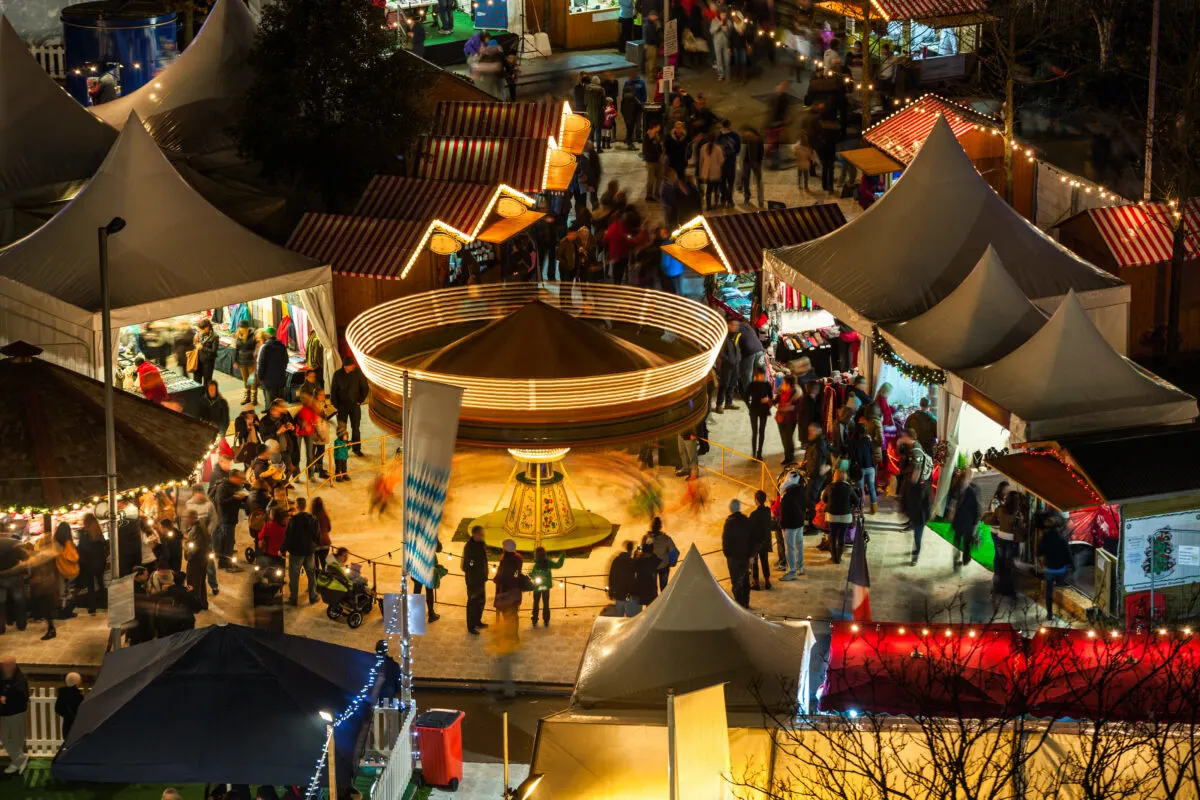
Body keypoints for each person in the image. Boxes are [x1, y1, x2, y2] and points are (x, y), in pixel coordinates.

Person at [986, 489, 1022, 600]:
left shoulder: (1000, 509)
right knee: (1008, 566)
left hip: (1000, 538)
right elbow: (1019, 528)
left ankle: (996, 588)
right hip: (1011, 541)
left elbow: (993, 520)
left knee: (999, 564)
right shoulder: (1017, 513)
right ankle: (1007, 590)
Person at [283, 497, 320, 605]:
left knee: (294, 576)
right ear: (305, 506)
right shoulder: (313, 519)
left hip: (296, 553)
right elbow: (317, 535)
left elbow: (288, 537)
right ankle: (313, 596)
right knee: (311, 574)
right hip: (309, 551)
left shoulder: (293, 520)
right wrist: (313, 545)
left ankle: (293, 598)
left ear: (296, 507)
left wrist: (282, 549)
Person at [902, 440, 934, 566]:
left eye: (916, 473)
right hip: (914, 515)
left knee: (917, 537)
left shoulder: (924, 487)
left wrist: (927, 515)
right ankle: (915, 550)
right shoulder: (910, 485)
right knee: (914, 536)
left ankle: (916, 554)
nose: (913, 476)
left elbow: (927, 503)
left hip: (920, 517)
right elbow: (905, 498)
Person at [332, 356, 370, 455]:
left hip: (354, 406)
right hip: (341, 407)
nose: (354, 366)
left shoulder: (358, 373)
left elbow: (365, 387)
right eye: (351, 365)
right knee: (342, 429)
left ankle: (356, 448)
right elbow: (333, 391)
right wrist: (335, 406)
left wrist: (360, 400)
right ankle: (342, 449)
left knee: (356, 428)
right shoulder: (337, 375)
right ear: (345, 366)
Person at [1038, 512, 1072, 621]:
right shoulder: (1062, 538)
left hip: (1049, 568)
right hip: (1060, 568)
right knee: (1060, 587)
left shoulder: (1044, 538)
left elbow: (1038, 552)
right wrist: (1071, 564)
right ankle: (1060, 610)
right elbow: (1067, 553)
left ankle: (1049, 614)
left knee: (1049, 591)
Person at [821, 469, 859, 564]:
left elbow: (824, 499)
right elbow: (856, 501)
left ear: (834, 477)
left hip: (831, 516)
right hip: (845, 516)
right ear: (845, 477)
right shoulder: (849, 488)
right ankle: (839, 557)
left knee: (832, 536)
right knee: (842, 537)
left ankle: (834, 557)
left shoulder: (829, 487)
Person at [0, 657, 29, 774]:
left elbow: (22, 696)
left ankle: (18, 761)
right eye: (3, 665)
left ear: (13, 666)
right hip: (4, 713)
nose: (4, 668)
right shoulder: (2, 675)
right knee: (4, 737)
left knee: (17, 738)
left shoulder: (20, 679)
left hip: (16, 713)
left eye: (7, 665)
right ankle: (19, 759)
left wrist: (6, 698)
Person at [722, 499, 753, 608]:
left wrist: (728, 554)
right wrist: (750, 554)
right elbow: (751, 538)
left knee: (736, 582)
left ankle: (739, 605)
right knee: (745, 579)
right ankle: (746, 602)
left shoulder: (729, 523)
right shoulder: (746, 520)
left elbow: (726, 542)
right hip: (744, 556)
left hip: (734, 558)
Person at [950, 469, 981, 570]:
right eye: (967, 477)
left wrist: (975, 523)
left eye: (969, 478)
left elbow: (976, 508)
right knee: (957, 540)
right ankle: (956, 559)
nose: (968, 479)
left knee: (966, 543)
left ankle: (965, 558)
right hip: (958, 521)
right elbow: (952, 500)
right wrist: (951, 511)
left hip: (968, 522)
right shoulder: (956, 488)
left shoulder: (973, 491)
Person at [801, 422, 830, 532]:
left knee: (812, 501)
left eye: (812, 431)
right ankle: (813, 521)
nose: (810, 433)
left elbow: (817, 462)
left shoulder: (818, 444)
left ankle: (813, 526)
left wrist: (810, 474)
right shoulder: (816, 443)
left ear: (818, 431)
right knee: (812, 499)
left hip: (815, 477)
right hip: (815, 475)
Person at [727, 316, 764, 400]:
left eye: (728, 326)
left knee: (747, 375)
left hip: (749, 353)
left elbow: (734, 347)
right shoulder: (746, 325)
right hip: (760, 350)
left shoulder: (735, 331)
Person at [462, 525, 490, 634]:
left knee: (481, 601)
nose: (483, 536)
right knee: (473, 603)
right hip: (473, 581)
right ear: (475, 534)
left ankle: (478, 621)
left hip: (480, 579)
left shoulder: (480, 544)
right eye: (481, 534)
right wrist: (474, 577)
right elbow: (467, 566)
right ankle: (471, 626)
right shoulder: (469, 547)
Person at [528, 547, 565, 627]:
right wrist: (562, 556)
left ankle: (535, 618)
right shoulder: (548, 563)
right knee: (545, 603)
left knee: (536, 603)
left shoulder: (536, 564)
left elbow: (533, 574)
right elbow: (558, 565)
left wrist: (531, 575)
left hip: (537, 587)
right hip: (545, 587)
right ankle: (546, 619)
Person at [182, 509, 211, 610]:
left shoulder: (196, 530)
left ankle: (195, 606)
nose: (184, 519)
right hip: (202, 559)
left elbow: (194, 547)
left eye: (186, 517)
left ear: (191, 518)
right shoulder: (200, 526)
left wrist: (187, 555)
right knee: (201, 582)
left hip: (196, 560)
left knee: (193, 583)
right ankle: (203, 604)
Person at [848, 422, 877, 514]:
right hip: (870, 467)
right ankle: (874, 509)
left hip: (859, 469)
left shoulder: (852, 441)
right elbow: (872, 452)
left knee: (860, 490)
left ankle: (860, 509)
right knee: (872, 488)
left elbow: (851, 455)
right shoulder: (867, 440)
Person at [255, 327, 289, 407]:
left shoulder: (265, 348)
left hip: (269, 382)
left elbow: (261, 364)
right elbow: (286, 361)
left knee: (270, 405)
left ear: (267, 336)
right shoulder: (282, 346)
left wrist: (260, 377)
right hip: (280, 380)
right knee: (280, 404)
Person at [745, 366, 773, 460]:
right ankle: (753, 452)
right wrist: (749, 406)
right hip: (754, 410)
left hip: (763, 410)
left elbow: (771, 397)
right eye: (760, 375)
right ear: (757, 376)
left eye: (763, 375)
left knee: (762, 432)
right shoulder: (752, 385)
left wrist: (768, 400)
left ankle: (759, 452)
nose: (762, 377)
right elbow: (745, 396)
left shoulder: (767, 385)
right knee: (755, 432)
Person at [748, 490, 773, 591]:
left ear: (757, 500)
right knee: (765, 561)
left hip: (756, 542)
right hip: (765, 540)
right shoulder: (767, 511)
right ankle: (767, 581)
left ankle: (756, 582)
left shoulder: (754, 514)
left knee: (754, 562)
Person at [645, 517, 678, 589]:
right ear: (660, 527)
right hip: (664, 567)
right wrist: (672, 563)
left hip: (651, 567)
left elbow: (642, 552)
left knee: (652, 589)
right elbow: (674, 552)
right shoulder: (666, 539)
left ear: (651, 526)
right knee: (664, 589)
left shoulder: (647, 538)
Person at [607, 541, 637, 616]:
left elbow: (611, 576)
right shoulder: (632, 562)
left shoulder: (616, 561)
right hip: (629, 594)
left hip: (619, 593)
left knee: (619, 616)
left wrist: (611, 591)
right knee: (630, 617)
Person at [775, 374, 800, 465]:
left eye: (784, 383)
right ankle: (790, 454)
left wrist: (791, 407)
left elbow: (800, 407)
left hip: (790, 420)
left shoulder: (796, 394)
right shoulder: (782, 391)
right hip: (780, 418)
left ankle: (788, 457)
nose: (782, 384)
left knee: (787, 439)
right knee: (784, 439)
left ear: (789, 384)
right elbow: (776, 400)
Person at [697, 134, 725, 211]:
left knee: (708, 190)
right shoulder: (718, 149)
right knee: (716, 189)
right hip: (716, 172)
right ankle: (715, 204)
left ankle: (708, 206)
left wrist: (701, 172)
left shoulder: (703, 148)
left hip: (707, 172)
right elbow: (721, 160)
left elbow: (701, 161)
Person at [233, 321, 258, 406]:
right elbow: (236, 350)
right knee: (245, 379)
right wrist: (235, 361)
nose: (243, 329)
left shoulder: (253, 336)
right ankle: (246, 397)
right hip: (242, 361)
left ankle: (253, 397)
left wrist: (254, 358)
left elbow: (256, 348)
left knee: (251, 379)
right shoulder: (237, 336)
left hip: (251, 361)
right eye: (241, 328)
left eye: (244, 328)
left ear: (248, 328)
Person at [740, 126, 765, 206]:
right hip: (746, 163)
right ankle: (747, 196)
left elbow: (761, 152)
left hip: (756, 163)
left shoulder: (758, 139)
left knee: (759, 181)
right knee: (746, 180)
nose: (744, 134)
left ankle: (760, 199)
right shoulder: (746, 139)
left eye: (746, 132)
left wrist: (759, 163)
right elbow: (743, 152)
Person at [55, 672, 84, 739]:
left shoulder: (62, 694)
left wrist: (66, 715)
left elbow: (58, 709)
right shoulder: (79, 696)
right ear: (77, 682)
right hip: (77, 724)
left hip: (67, 723)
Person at [193, 318, 219, 386]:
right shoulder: (199, 333)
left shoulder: (214, 336)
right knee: (196, 380)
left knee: (207, 381)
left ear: (207, 328)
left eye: (201, 329)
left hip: (208, 363)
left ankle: (206, 395)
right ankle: (198, 396)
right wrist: (195, 342)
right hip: (198, 361)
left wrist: (203, 348)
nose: (200, 331)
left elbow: (214, 351)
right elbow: (196, 345)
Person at [585, 76, 606, 149]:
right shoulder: (601, 90)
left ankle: (591, 149)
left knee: (590, 132)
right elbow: (604, 103)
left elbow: (585, 102)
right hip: (598, 114)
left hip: (589, 114)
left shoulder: (587, 89)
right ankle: (599, 148)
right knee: (598, 132)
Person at [711, 11, 730, 81]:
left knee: (727, 59)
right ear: (719, 15)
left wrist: (727, 31)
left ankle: (727, 74)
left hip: (725, 43)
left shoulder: (727, 21)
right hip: (717, 42)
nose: (724, 17)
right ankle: (721, 75)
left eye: (725, 15)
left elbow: (729, 33)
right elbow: (711, 31)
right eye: (722, 15)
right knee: (719, 59)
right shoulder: (714, 21)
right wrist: (719, 24)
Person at [643, 11, 660, 78]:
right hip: (651, 45)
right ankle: (651, 77)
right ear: (651, 16)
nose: (657, 18)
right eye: (655, 16)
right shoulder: (649, 25)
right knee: (652, 62)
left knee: (650, 61)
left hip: (649, 45)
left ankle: (651, 76)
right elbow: (652, 36)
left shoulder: (648, 24)